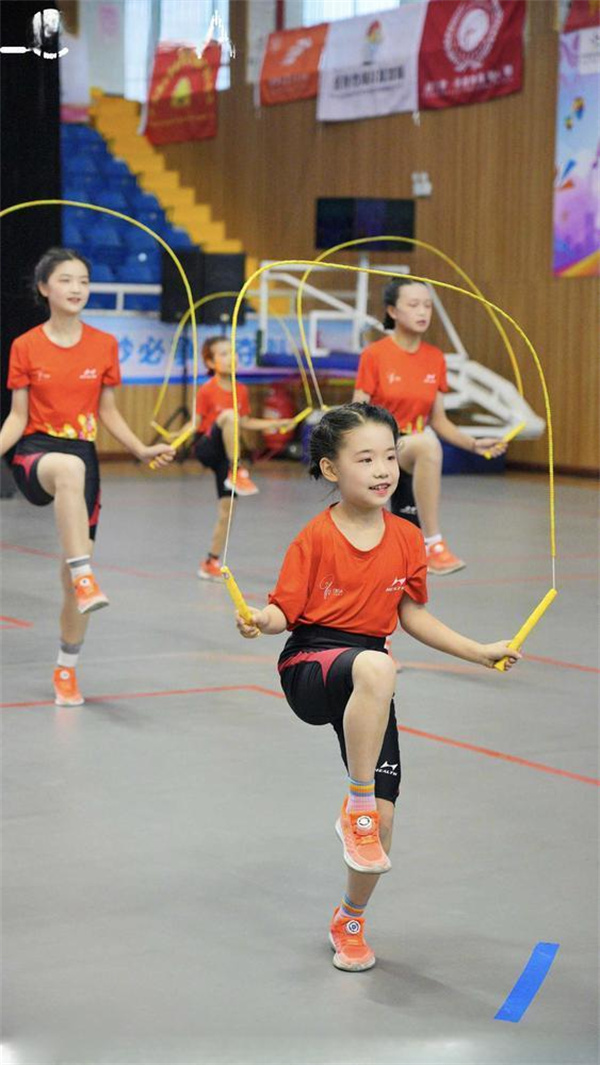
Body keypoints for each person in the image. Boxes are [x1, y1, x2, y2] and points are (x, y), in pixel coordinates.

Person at [235, 403, 520, 972]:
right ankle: (356, 802)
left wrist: (479, 651)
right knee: (376, 667)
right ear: (332, 469)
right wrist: (257, 620)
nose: (384, 468)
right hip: (311, 662)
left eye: (390, 456)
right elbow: (282, 611)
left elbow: (411, 615)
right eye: (365, 458)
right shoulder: (314, 536)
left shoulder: (408, 537)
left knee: (384, 826)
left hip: (368, 673)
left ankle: (350, 920)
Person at [0, 247, 174, 707]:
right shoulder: (25, 345)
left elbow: (108, 412)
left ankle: (66, 667)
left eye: (83, 280)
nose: (77, 288)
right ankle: (85, 574)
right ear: (44, 288)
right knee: (69, 470)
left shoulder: (103, 344)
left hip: (84, 459)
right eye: (66, 280)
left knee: (72, 590)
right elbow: (17, 418)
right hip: (37, 454)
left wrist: (139, 449)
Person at [354, 278, 506, 575]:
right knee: (427, 442)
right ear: (393, 311)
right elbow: (357, 412)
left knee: (427, 441)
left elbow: (439, 421)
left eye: (427, 305)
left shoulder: (435, 358)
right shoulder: (374, 355)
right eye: (413, 305)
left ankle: (428, 543)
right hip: (379, 445)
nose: (422, 311)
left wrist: (475, 445)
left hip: (413, 446)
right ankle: (433, 542)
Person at [180, 336, 293, 580]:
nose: (231, 358)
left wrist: (276, 423)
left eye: (233, 353)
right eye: (223, 354)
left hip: (227, 452)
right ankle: (237, 470)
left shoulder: (240, 390)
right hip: (208, 447)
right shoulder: (207, 389)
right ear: (210, 361)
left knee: (227, 511)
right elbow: (195, 424)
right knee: (229, 416)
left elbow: (245, 422)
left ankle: (210, 560)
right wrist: (173, 441)